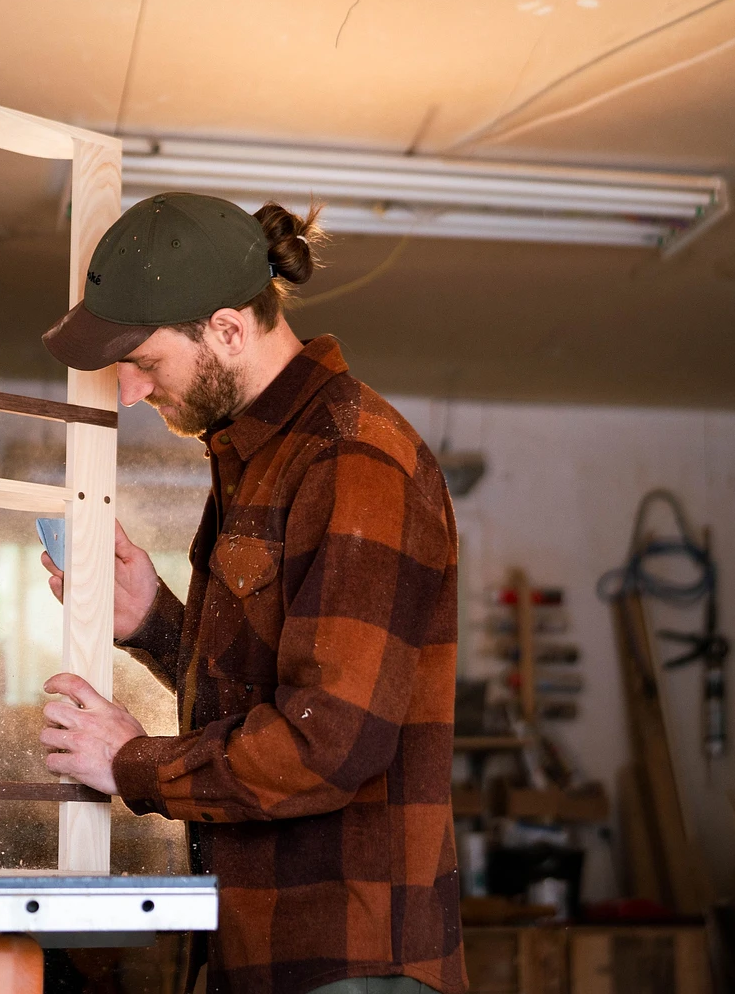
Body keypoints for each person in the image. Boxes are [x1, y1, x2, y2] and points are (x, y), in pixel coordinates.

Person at [38, 192, 466, 994]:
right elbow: (277, 688)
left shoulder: (354, 461)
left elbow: (329, 743)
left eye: (143, 361)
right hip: (265, 956)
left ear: (229, 329)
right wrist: (159, 624)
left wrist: (131, 762)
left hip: (348, 963)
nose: (129, 392)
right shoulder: (258, 459)